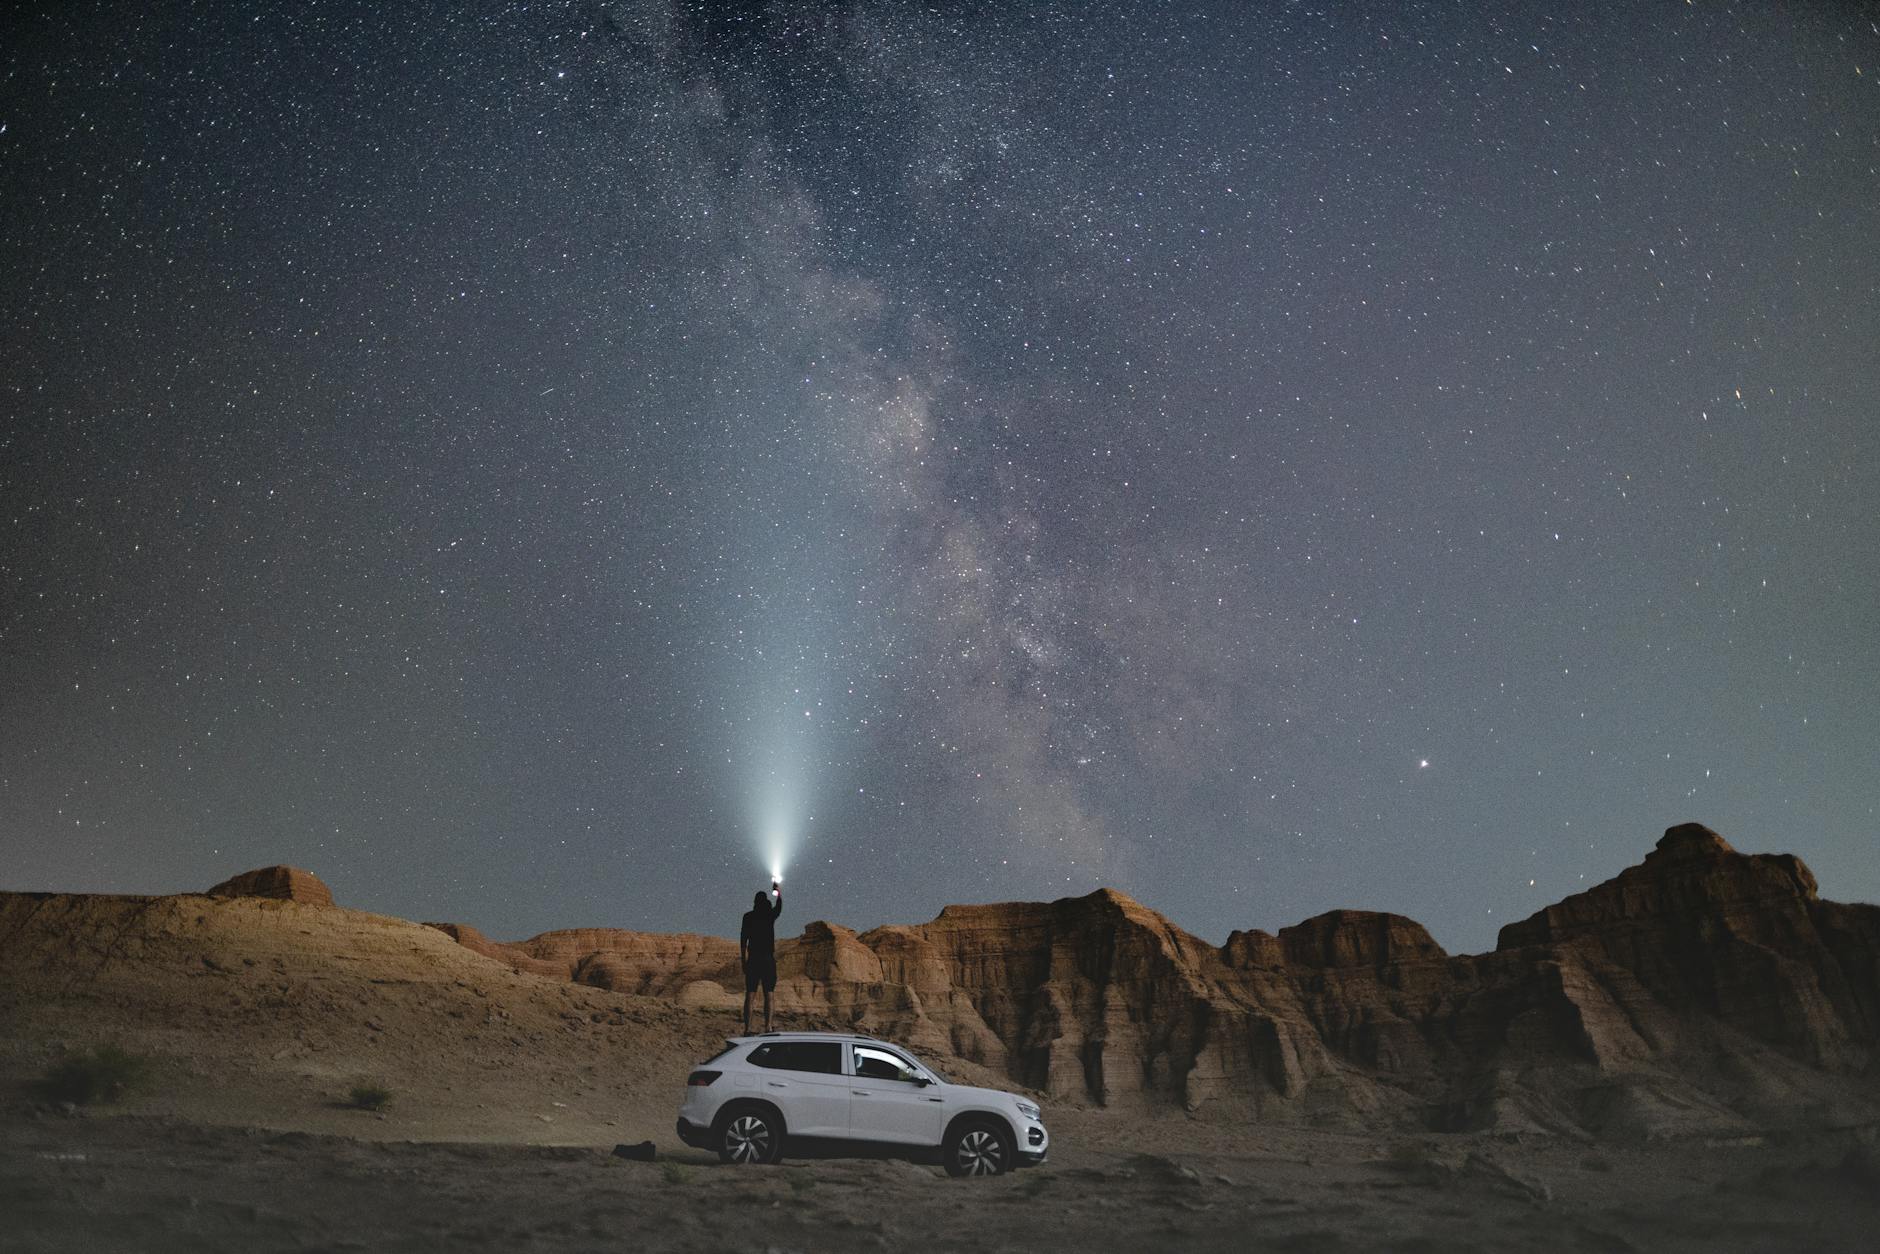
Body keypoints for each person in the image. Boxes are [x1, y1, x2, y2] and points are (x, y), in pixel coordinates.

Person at [740, 878, 782, 1033]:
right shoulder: (769, 915)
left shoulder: (748, 917)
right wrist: (778, 892)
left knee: (750, 994)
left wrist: (743, 961)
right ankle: (768, 1027)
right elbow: (779, 907)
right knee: (769, 994)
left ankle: (747, 1028)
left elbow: (743, 940)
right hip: (767, 959)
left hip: (753, 959)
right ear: (765, 901)